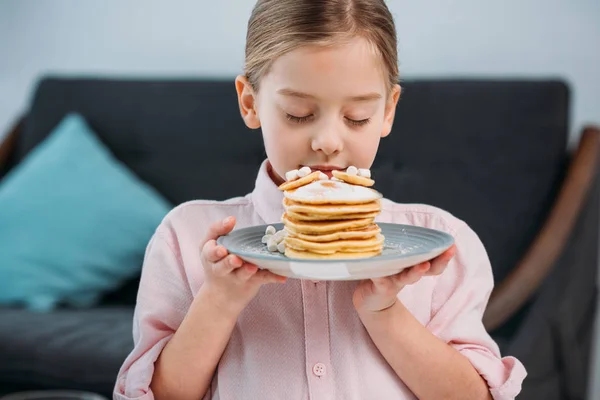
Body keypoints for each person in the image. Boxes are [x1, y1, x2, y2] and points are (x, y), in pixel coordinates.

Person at [114, 0, 526, 399]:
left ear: (388, 111)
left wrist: (384, 312)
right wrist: (219, 300)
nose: (328, 142)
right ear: (249, 101)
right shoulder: (187, 239)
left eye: (357, 118)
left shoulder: (441, 242)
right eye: (298, 113)